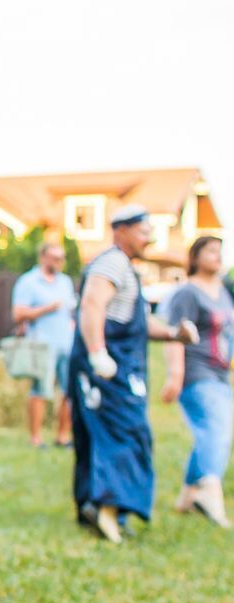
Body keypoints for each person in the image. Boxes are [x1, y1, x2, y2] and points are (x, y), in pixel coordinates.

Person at [69, 205, 198, 544]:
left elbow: (138, 323)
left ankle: (92, 504)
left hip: (115, 366)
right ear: (120, 231)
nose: (149, 238)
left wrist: (174, 334)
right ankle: (108, 507)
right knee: (126, 432)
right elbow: (92, 306)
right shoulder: (111, 263)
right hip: (108, 369)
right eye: (143, 231)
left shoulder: (126, 269)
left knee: (101, 433)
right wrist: (98, 353)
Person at [162, 236, 233, 527]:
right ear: (195, 256)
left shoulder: (223, 292)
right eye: (211, 251)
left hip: (220, 373)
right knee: (216, 430)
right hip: (196, 371)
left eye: (220, 251)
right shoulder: (187, 293)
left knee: (210, 431)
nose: (218, 256)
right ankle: (209, 491)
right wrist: (175, 375)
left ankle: (187, 496)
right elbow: (174, 333)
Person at [11, 242, 77, 447]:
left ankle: (62, 436)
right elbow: (18, 313)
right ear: (43, 258)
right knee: (40, 390)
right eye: (55, 258)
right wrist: (46, 309)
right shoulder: (28, 282)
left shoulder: (65, 282)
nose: (59, 262)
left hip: (67, 343)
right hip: (42, 344)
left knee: (69, 391)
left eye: (62, 258)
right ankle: (36, 438)